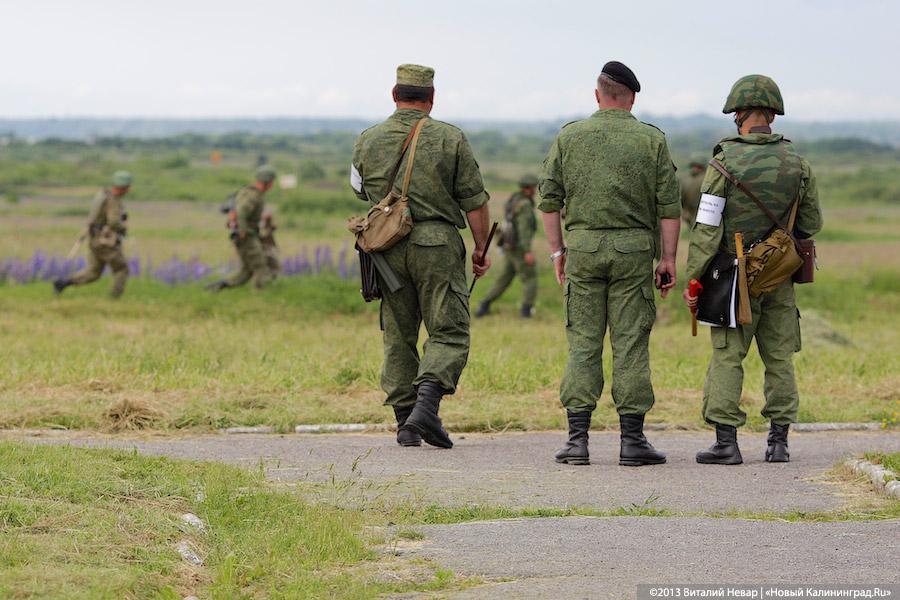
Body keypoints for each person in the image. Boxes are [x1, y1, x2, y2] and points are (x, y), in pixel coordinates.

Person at [539, 61, 681, 467]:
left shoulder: (570, 137)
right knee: (631, 343)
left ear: (597, 95)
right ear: (632, 98)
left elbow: (549, 201)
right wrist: (668, 258)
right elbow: (669, 208)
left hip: (581, 250)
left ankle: (577, 441)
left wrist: (558, 252)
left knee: (583, 342)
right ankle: (632, 441)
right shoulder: (651, 140)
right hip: (634, 253)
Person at [350, 64, 492, 449]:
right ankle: (425, 409)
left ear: (394, 96)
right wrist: (480, 249)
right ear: (431, 99)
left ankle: (405, 421)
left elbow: (361, 192)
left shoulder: (367, 139)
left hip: (386, 248)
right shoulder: (451, 138)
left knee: (398, 332)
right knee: (448, 328)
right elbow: (475, 203)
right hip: (437, 244)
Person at [683, 74, 822, 465]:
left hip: (731, 279)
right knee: (779, 357)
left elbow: (707, 229)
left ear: (738, 114)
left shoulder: (723, 163)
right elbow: (811, 224)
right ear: (773, 116)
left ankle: (726, 443)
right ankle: (778, 444)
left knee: (728, 356)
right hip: (779, 276)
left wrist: (694, 278)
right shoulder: (798, 163)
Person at [53, 171, 132, 298]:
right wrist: (123, 227)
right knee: (121, 269)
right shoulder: (113, 201)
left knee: (94, 272)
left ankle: (63, 283)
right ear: (124, 188)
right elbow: (113, 222)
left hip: (94, 239)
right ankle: (114, 298)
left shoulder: (103, 196)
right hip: (105, 242)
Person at [475, 174, 539, 318]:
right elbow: (524, 229)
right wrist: (527, 251)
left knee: (504, 278)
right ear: (528, 188)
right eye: (533, 187)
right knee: (530, 278)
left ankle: (484, 306)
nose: (535, 191)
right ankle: (526, 311)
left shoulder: (514, 199)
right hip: (519, 248)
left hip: (509, 246)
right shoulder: (526, 205)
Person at [206, 165, 277, 291]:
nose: (273, 184)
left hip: (245, 235)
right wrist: (243, 230)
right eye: (272, 181)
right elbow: (241, 211)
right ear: (268, 181)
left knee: (246, 271)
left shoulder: (249, 192)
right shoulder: (253, 195)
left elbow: (243, 213)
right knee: (260, 267)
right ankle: (259, 295)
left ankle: (218, 287)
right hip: (246, 236)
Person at [680, 154, 706, 227]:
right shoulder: (685, 179)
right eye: (694, 166)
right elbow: (681, 197)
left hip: (702, 212)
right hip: (689, 213)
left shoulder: (706, 179)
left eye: (698, 167)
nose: (695, 169)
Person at [259, 210, 281, 276]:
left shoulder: (269, 226)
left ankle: (272, 275)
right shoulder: (262, 226)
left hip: (270, 248)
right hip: (264, 248)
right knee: (267, 263)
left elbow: (274, 226)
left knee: (273, 264)